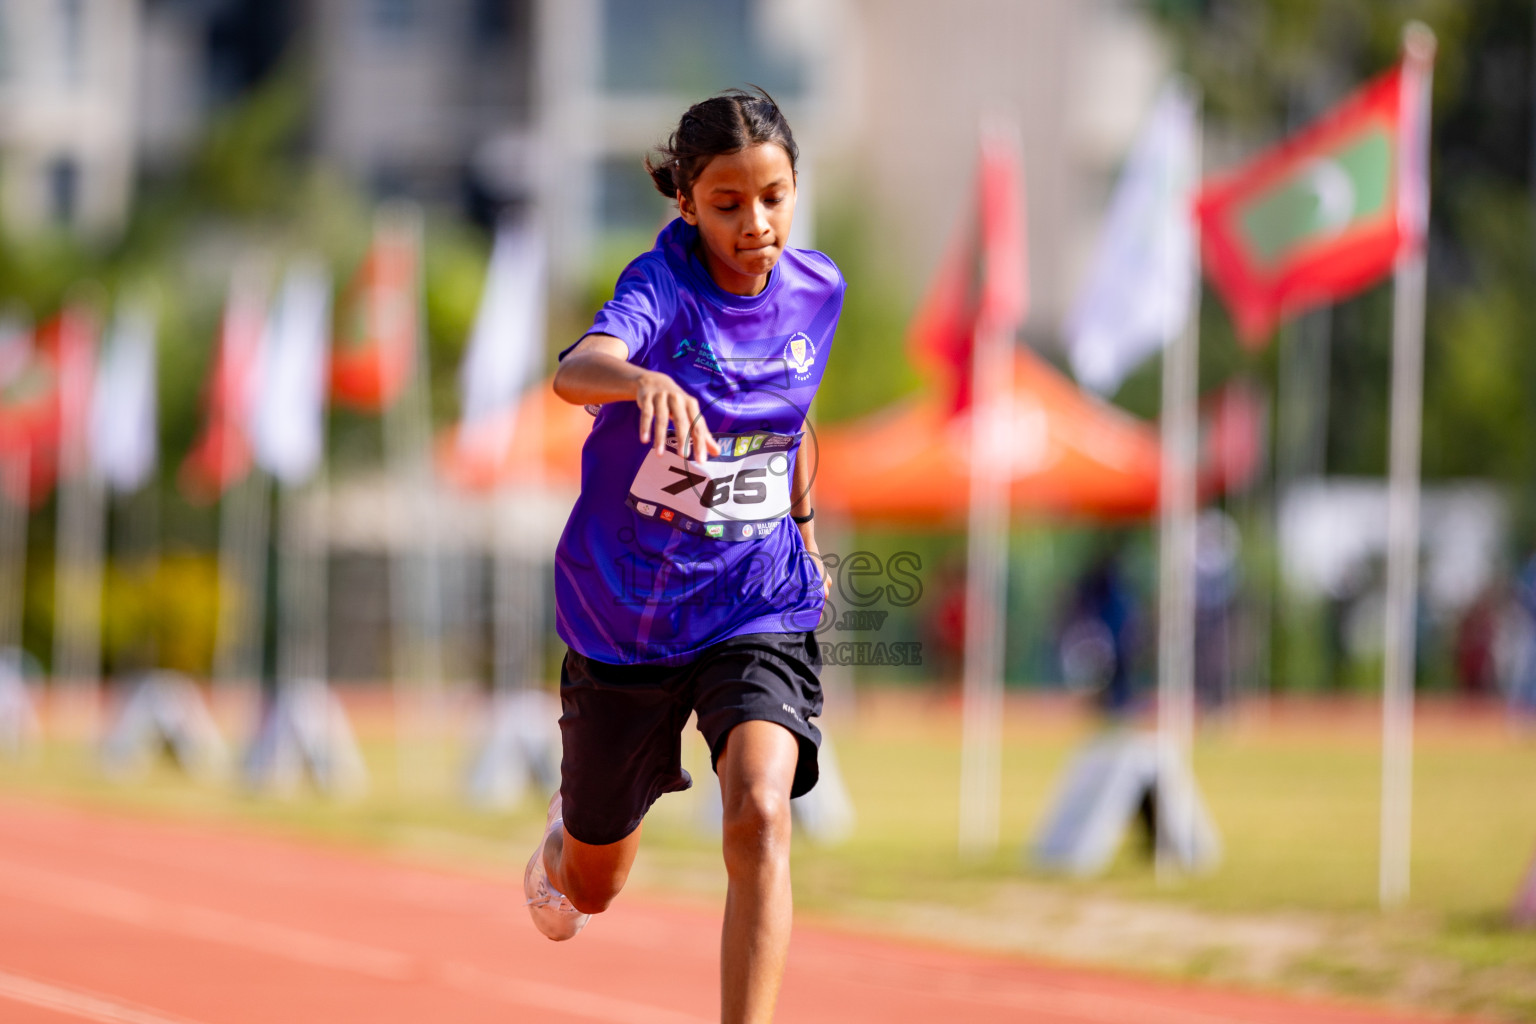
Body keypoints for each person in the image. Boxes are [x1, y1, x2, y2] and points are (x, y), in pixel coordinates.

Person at [525, 88, 841, 1024]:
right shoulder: (660, 287)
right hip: (627, 614)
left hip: (755, 601)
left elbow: (787, 425)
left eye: (774, 197)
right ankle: (561, 843)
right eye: (728, 204)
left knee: (759, 815)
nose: (757, 225)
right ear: (688, 205)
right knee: (592, 887)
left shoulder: (817, 290)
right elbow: (574, 368)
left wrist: (810, 541)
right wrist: (640, 377)